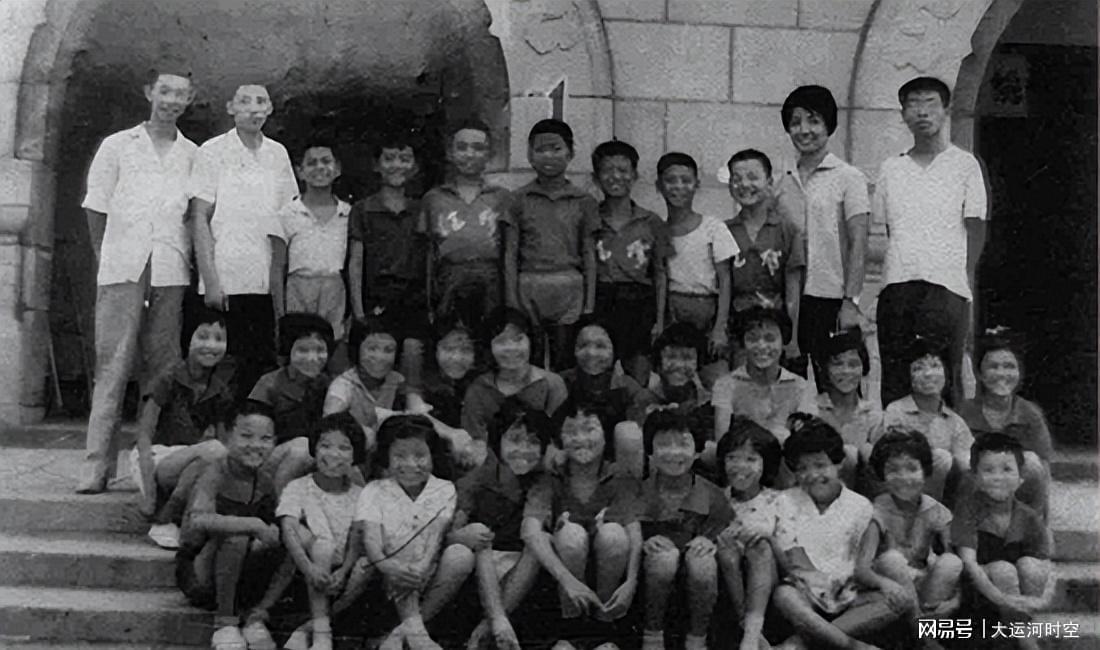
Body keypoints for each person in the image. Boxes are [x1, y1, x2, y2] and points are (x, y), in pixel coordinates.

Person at [78, 69, 199, 494]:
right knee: (113, 366)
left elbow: (193, 215)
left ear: (190, 99)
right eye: (164, 91)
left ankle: (154, 466)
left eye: (180, 94)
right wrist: (107, 258)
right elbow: (96, 207)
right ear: (149, 92)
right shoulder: (117, 145)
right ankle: (96, 466)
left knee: (162, 369)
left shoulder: (192, 153)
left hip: (169, 267)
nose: (171, 100)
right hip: (122, 267)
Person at [873, 77, 988, 407]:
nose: (922, 112)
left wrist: (962, 279)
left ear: (946, 110)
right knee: (896, 377)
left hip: (946, 287)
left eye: (930, 103)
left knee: (943, 378)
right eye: (913, 104)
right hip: (897, 285)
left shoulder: (964, 164)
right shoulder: (892, 167)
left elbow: (976, 229)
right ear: (903, 114)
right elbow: (887, 229)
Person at [190, 83, 298, 399]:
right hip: (225, 276)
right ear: (230, 108)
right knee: (222, 367)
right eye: (245, 101)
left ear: (270, 109)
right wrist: (211, 280)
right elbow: (199, 217)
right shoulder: (212, 151)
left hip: (265, 279)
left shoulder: (278, 153)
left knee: (260, 364)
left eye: (261, 102)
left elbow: (287, 216)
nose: (253, 108)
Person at [770, 414, 905, 650]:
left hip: (850, 596)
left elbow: (864, 565)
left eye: (820, 465)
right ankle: (853, 647)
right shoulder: (785, 501)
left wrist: (882, 584)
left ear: (838, 464)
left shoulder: (860, 506)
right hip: (806, 593)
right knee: (784, 596)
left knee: (896, 600)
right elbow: (794, 558)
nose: (812, 475)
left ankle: (802, 642)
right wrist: (821, 584)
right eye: (802, 468)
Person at [175, 401, 293, 650]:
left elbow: (275, 525)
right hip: (201, 572)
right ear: (227, 436)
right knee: (236, 537)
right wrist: (252, 524)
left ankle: (256, 615)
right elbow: (199, 519)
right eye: (246, 436)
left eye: (265, 438)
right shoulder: (214, 472)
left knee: (292, 540)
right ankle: (224, 622)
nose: (255, 445)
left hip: (239, 573)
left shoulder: (264, 480)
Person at [521, 400, 643, 641]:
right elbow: (530, 530)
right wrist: (568, 581)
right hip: (563, 573)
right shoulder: (551, 477)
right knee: (571, 535)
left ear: (605, 436)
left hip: (609, 567)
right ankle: (572, 630)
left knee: (614, 534)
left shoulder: (618, 476)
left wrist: (631, 581)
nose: (581, 438)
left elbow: (634, 532)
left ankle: (604, 627)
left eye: (589, 429)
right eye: (571, 431)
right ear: (560, 440)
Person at [774, 85, 869, 389]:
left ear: (829, 125)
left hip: (832, 298)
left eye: (813, 121)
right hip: (790, 301)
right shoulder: (781, 181)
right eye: (796, 122)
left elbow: (859, 243)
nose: (804, 130)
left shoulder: (849, 177)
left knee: (837, 385)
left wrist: (851, 301)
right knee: (791, 387)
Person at [356, 414, 475, 650]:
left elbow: (435, 534)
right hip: (386, 573)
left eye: (420, 456)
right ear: (387, 458)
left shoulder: (443, 489)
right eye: (400, 456)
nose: (410, 464)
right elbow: (372, 541)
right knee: (402, 541)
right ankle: (418, 636)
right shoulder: (374, 490)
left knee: (461, 556)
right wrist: (389, 567)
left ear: (432, 456)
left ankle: (403, 633)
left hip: (427, 569)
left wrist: (421, 566)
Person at [130, 307, 236, 549]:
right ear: (188, 339)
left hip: (192, 459)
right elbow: (143, 438)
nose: (211, 345)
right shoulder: (168, 378)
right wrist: (149, 491)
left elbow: (223, 444)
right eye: (203, 337)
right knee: (213, 450)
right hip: (156, 457)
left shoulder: (220, 389)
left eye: (219, 339)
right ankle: (165, 513)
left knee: (215, 456)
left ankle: (172, 518)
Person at [454, 401, 552, 650]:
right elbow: (448, 534)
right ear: (498, 441)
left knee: (540, 541)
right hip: (480, 568)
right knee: (480, 533)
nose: (524, 450)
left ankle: (488, 627)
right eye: (515, 440)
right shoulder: (475, 481)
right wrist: (462, 536)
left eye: (533, 442)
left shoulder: (542, 483)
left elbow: (534, 529)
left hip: (521, 574)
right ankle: (497, 621)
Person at [502, 118, 599, 370]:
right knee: (529, 361)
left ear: (570, 153)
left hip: (569, 289)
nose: (548, 156)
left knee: (564, 362)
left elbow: (589, 253)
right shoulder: (517, 199)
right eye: (540, 149)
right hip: (528, 287)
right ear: (529, 155)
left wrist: (589, 303)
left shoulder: (584, 201)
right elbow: (510, 252)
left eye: (556, 149)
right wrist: (512, 300)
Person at [636, 409, 732, 650]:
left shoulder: (712, 494)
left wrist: (710, 540)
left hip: (696, 573)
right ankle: (652, 636)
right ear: (650, 451)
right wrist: (643, 540)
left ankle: (697, 639)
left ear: (697, 451)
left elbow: (725, 526)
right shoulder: (638, 492)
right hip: (652, 573)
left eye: (683, 444)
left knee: (703, 564)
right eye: (663, 444)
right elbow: (625, 526)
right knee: (663, 559)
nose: (673, 452)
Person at [277, 413, 370, 650]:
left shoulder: (360, 495)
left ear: (355, 455)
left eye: (344, 448)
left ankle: (309, 627)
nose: (333, 454)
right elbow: (289, 529)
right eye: (325, 445)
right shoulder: (299, 487)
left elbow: (357, 537)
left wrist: (345, 570)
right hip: (305, 571)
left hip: (342, 576)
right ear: (314, 448)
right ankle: (321, 633)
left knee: (367, 565)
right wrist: (309, 569)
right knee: (322, 545)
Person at [952, 433, 1053, 649]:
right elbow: (969, 563)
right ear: (975, 477)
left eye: (1007, 469)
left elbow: (1046, 562)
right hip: (979, 590)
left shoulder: (1028, 516)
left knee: (1030, 566)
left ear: (1021, 478)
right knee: (1002, 569)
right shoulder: (968, 511)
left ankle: (1023, 627)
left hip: (1018, 597)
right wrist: (1002, 599)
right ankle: (1026, 640)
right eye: (988, 470)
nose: (998, 477)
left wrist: (1040, 601)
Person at [348, 133, 430, 392]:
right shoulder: (363, 209)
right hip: (377, 297)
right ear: (377, 165)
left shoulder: (421, 209)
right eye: (389, 158)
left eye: (404, 159)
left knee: (412, 356)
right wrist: (359, 312)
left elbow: (429, 258)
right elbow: (356, 261)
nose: (397, 165)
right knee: (378, 362)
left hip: (413, 298)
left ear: (415, 166)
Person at [860, 427, 962, 631]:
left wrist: (956, 598)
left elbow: (955, 560)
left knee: (952, 562)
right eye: (893, 470)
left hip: (925, 586)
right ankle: (920, 631)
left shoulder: (935, 509)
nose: (904, 477)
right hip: (890, 586)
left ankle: (922, 622)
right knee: (892, 560)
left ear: (925, 471)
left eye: (912, 468)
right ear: (882, 474)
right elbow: (861, 569)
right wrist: (884, 584)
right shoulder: (876, 510)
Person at [590, 139, 670, 384]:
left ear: (635, 175)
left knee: (638, 374)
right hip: (601, 301)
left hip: (639, 304)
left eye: (623, 170)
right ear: (596, 178)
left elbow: (660, 273)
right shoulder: (590, 219)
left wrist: (659, 320)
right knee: (597, 374)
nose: (616, 177)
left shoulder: (651, 221)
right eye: (607, 170)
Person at [422, 120, 509, 334]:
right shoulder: (434, 198)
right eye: (461, 147)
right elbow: (428, 253)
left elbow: (510, 249)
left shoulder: (502, 197)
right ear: (450, 153)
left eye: (478, 148)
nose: (469, 154)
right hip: (448, 281)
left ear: (489, 154)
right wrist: (428, 300)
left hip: (491, 282)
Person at [957, 329, 1052, 519]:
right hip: (978, 487)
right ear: (981, 374)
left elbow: (1043, 468)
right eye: (993, 367)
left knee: (1033, 463)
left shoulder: (1030, 414)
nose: (1002, 374)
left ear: (1019, 373)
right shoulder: (965, 412)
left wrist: (1044, 522)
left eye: (1009, 367)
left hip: (1017, 489)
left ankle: (1028, 527)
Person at [658, 152, 737, 381]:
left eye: (686, 180)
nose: (678, 187)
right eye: (671, 180)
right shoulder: (658, 230)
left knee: (717, 378)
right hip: (674, 311)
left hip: (707, 311)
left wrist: (720, 328)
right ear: (659, 186)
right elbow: (660, 278)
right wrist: (661, 323)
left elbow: (725, 279)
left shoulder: (713, 227)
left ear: (697, 185)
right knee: (676, 376)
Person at [724, 149, 804, 362]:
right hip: (738, 331)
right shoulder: (724, 231)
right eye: (736, 179)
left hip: (775, 328)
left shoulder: (787, 230)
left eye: (752, 177)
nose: (744, 184)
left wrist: (792, 338)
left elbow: (793, 288)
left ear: (769, 182)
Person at [461, 307, 568, 457]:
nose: (511, 348)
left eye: (518, 339)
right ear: (489, 346)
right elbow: (474, 447)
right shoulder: (479, 390)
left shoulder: (552, 384)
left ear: (531, 340)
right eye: (501, 341)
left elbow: (562, 442)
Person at [272, 140, 351, 341]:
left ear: (337, 169)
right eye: (312, 163)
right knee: (300, 343)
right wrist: (280, 316)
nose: (319, 167)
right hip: (298, 288)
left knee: (333, 345)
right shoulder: (287, 214)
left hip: (334, 288)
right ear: (300, 172)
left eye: (326, 161)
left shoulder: (348, 214)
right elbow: (277, 268)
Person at [249, 313, 336, 495]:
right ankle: (281, 506)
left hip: (317, 458)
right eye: (303, 350)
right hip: (269, 459)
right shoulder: (269, 384)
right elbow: (252, 433)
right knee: (301, 448)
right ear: (289, 350)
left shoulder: (331, 385)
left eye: (320, 350)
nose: (312, 358)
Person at [715, 418, 783, 650]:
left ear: (766, 464)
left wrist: (767, 536)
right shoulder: (718, 500)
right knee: (726, 547)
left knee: (759, 544)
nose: (740, 466)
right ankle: (751, 633)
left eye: (751, 459)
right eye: (732, 458)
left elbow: (789, 560)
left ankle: (751, 633)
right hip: (730, 579)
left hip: (769, 578)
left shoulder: (778, 500)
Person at [879, 337, 973, 503]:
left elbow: (968, 462)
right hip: (900, 491)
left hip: (942, 499)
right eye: (918, 368)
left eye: (935, 366)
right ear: (908, 376)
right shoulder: (896, 411)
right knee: (940, 457)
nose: (928, 374)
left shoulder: (955, 421)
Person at [560, 317, 656, 477]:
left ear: (614, 352)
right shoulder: (560, 384)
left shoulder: (628, 389)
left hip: (616, 470)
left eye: (600, 346)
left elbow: (637, 441)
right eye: (583, 345)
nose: (591, 353)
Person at [713, 306, 817, 450]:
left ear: (783, 342)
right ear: (743, 344)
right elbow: (722, 441)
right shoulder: (725, 385)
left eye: (770, 339)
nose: (761, 346)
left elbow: (808, 440)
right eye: (752, 339)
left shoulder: (801, 386)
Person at [323, 316, 407, 459]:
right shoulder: (343, 385)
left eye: (388, 350)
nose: (380, 357)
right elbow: (329, 427)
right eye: (372, 349)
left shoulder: (398, 382)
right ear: (357, 350)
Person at [814, 327, 882, 489]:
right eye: (837, 364)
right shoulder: (813, 409)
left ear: (863, 368)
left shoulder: (873, 414)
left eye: (853, 364)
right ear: (825, 368)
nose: (846, 371)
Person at [420, 318, 480, 430]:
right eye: (448, 349)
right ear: (435, 350)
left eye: (466, 350)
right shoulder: (420, 393)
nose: (457, 358)